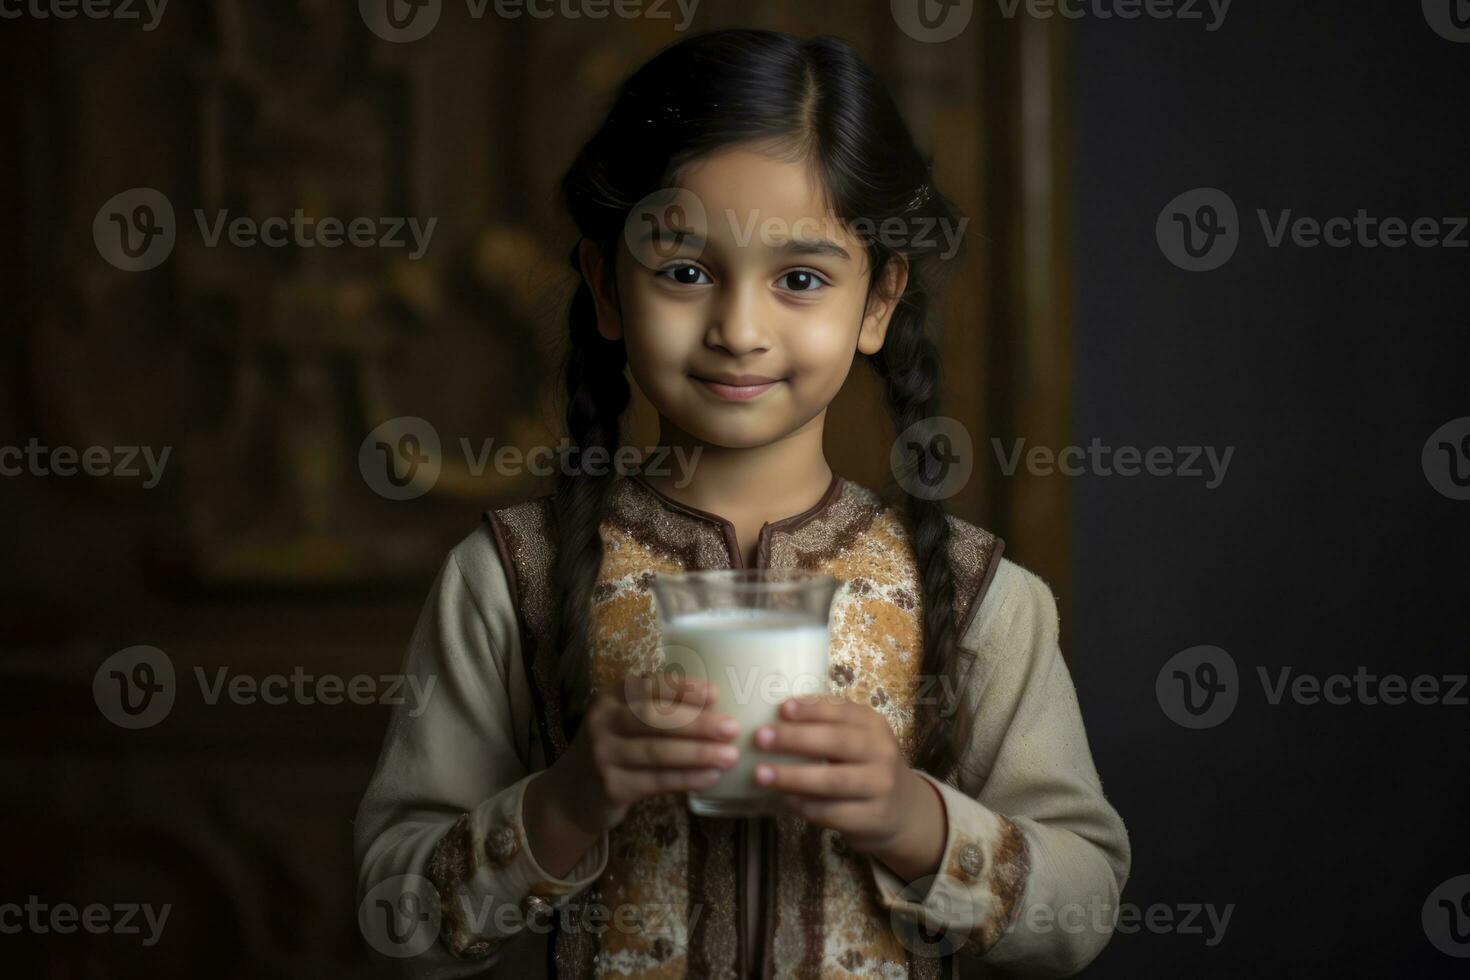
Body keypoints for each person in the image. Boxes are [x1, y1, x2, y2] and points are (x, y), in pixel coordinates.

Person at [355, 29, 1129, 978]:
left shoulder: (978, 595)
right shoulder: (512, 578)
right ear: (606, 287)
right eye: (683, 272)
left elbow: (1084, 910)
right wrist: (563, 804)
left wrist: (913, 819)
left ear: (878, 302)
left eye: (801, 279)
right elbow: (394, 915)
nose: (739, 329)